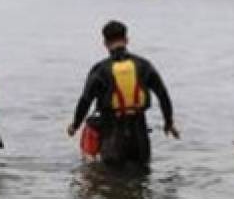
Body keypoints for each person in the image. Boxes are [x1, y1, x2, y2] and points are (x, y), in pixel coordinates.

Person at [67, 20, 178, 167]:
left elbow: (85, 100)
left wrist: (75, 125)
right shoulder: (144, 65)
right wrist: (168, 123)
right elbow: (163, 95)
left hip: (113, 136)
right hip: (140, 136)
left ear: (105, 43)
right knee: (141, 181)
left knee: (112, 181)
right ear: (126, 40)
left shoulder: (100, 69)